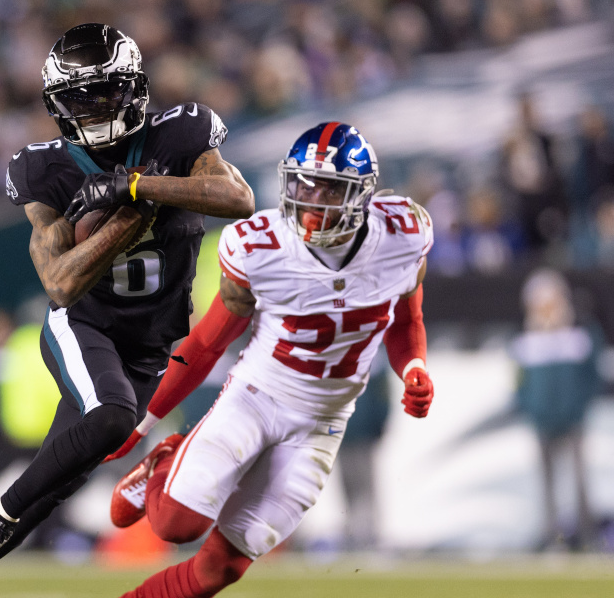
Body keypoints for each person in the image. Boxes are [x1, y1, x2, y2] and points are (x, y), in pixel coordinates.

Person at [0, 23, 254, 596]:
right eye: (77, 99)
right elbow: (60, 285)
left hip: (154, 342)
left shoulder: (181, 133)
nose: (91, 109)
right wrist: (127, 216)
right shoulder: (43, 170)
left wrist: (137, 186)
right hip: (86, 325)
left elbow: (238, 198)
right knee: (111, 419)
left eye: (104, 93)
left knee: (63, 475)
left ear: (133, 88)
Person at [104, 122, 434, 598]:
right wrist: (143, 423)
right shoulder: (263, 248)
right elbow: (206, 345)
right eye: (303, 184)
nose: (311, 202)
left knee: (220, 570)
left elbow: (405, 321)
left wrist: (415, 367)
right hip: (257, 398)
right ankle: (163, 462)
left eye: (328, 189)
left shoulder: (403, 236)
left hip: (323, 422)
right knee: (176, 525)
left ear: (361, 196)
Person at [511, 268, 602, 551]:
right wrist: (532, 410)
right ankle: (553, 536)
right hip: (543, 421)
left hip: (572, 420)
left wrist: (578, 407)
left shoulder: (579, 332)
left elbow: (592, 376)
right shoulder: (525, 340)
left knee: (579, 480)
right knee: (547, 482)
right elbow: (519, 384)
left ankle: (586, 537)